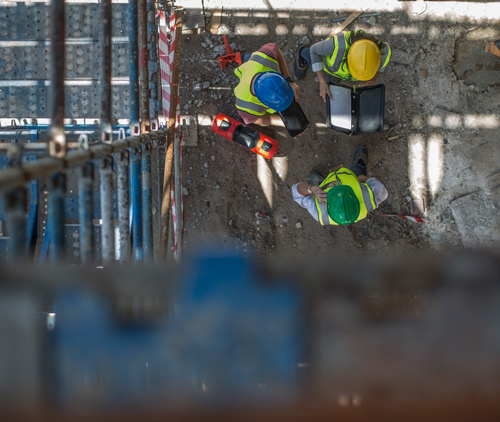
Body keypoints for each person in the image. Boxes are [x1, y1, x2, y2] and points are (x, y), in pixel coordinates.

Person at [292, 147, 388, 225]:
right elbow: (383, 191)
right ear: (355, 199)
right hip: (352, 176)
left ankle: (320, 183)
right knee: (357, 169)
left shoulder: (319, 212)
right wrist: (364, 179)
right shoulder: (369, 198)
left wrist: (312, 189)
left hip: (323, 187)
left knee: (321, 186)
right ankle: (360, 164)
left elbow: (295, 191)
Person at [294, 30, 391, 102]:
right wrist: (322, 81)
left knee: (334, 81)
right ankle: (302, 51)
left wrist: (372, 81)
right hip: (326, 64)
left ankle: (332, 80)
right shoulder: (336, 46)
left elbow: (380, 67)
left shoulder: (382, 52)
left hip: (338, 72)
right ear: (348, 57)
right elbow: (314, 50)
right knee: (313, 64)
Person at [234, 43, 300, 126]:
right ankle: (245, 57)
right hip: (245, 77)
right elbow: (255, 119)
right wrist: (285, 122)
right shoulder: (246, 107)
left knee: (250, 57)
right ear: (264, 102)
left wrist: (288, 79)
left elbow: (276, 49)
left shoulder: (265, 57)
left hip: (251, 67)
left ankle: (246, 57)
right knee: (249, 57)